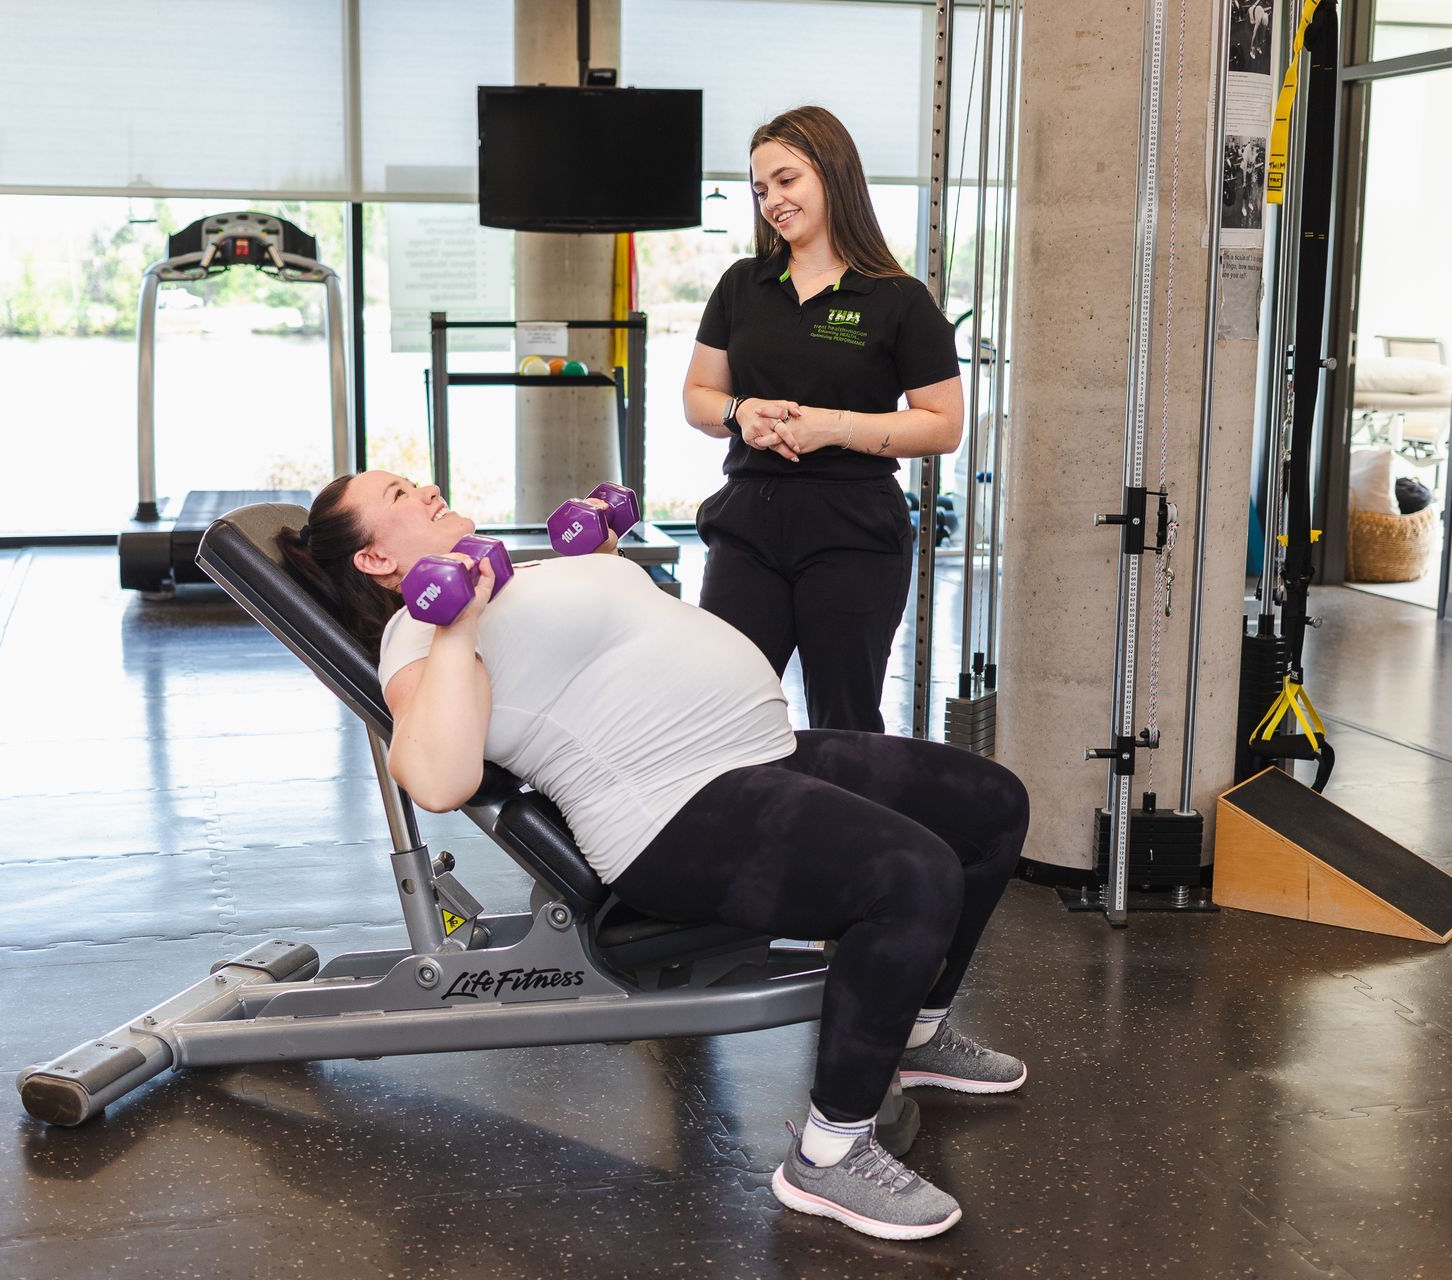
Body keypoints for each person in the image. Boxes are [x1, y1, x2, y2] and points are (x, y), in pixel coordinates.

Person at [278, 471, 1031, 1242]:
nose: (426, 488)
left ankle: (914, 1032)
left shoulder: (503, 576)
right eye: (399, 496)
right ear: (376, 560)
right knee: (911, 877)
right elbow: (438, 780)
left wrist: (602, 553)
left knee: (990, 806)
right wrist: (455, 624)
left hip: (757, 758)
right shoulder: (421, 631)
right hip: (675, 813)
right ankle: (829, 1154)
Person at [682, 105, 963, 733]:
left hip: (853, 527)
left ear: (834, 174)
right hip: (749, 520)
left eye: (787, 180)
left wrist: (835, 427)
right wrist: (739, 411)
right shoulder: (741, 285)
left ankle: (845, 803)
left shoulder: (899, 299)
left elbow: (943, 425)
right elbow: (698, 395)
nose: (772, 202)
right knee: (722, 713)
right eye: (761, 189)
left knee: (844, 720)